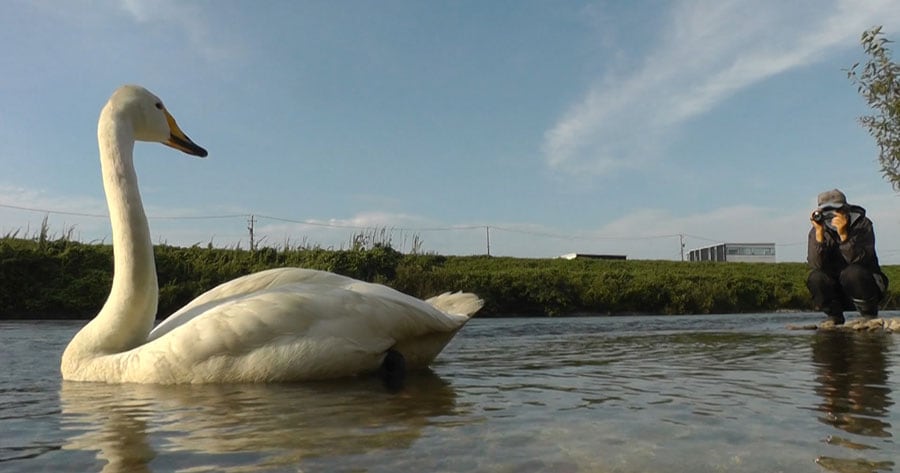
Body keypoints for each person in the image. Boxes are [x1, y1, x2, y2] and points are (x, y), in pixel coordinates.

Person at [807, 189, 888, 324]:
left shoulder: (862, 224)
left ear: (845, 210)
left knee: (852, 273)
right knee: (816, 277)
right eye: (825, 211)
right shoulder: (817, 230)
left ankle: (869, 315)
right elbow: (815, 265)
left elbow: (859, 259)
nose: (830, 216)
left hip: (865, 286)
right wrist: (819, 235)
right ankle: (834, 316)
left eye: (835, 210)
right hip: (838, 290)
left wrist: (844, 235)